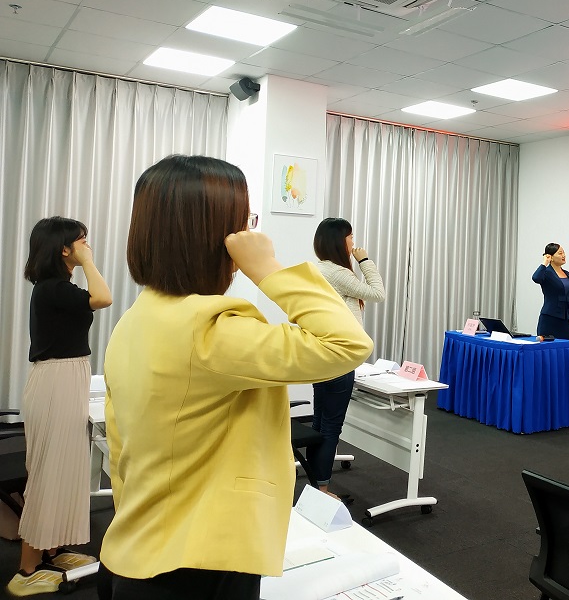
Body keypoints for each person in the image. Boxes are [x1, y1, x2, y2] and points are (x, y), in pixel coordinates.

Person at [97, 156, 373, 600]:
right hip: (198, 559)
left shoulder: (135, 319)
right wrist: (268, 268)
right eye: (243, 223)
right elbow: (348, 343)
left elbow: (120, 448)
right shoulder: (210, 329)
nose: (250, 234)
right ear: (216, 237)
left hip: (140, 543)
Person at [7, 217, 112, 597]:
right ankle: (27, 570)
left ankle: (52, 550)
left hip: (66, 378)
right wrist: (88, 262)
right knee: (48, 475)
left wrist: (83, 260)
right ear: (63, 248)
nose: (87, 245)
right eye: (81, 240)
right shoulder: (51, 288)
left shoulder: (60, 288)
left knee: (65, 470)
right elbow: (103, 297)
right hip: (55, 384)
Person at [310, 217, 386, 498]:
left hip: (322, 355)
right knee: (331, 426)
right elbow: (378, 293)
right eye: (351, 237)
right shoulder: (338, 274)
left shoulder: (318, 269)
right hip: (340, 358)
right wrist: (365, 261)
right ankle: (322, 489)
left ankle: (316, 482)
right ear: (338, 241)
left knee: (319, 422)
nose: (354, 242)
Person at [531, 243, 569, 340]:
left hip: (564, 320)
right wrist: (545, 262)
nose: (563, 255)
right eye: (560, 253)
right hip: (549, 318)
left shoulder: (568, 274)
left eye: (564, 253)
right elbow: (536, 278)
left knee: (563, 346)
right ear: (551, 257)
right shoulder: (546, 272)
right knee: (547, 347)